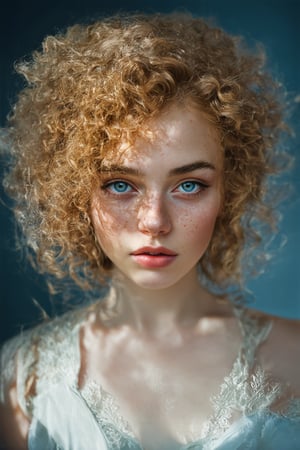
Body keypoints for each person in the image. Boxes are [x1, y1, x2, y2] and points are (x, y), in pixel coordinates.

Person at [0, 12, 299, 450]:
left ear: (228, 192)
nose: (154, 221)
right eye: (121, 185)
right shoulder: (22, 379)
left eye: (189, 185)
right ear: (75, 192)